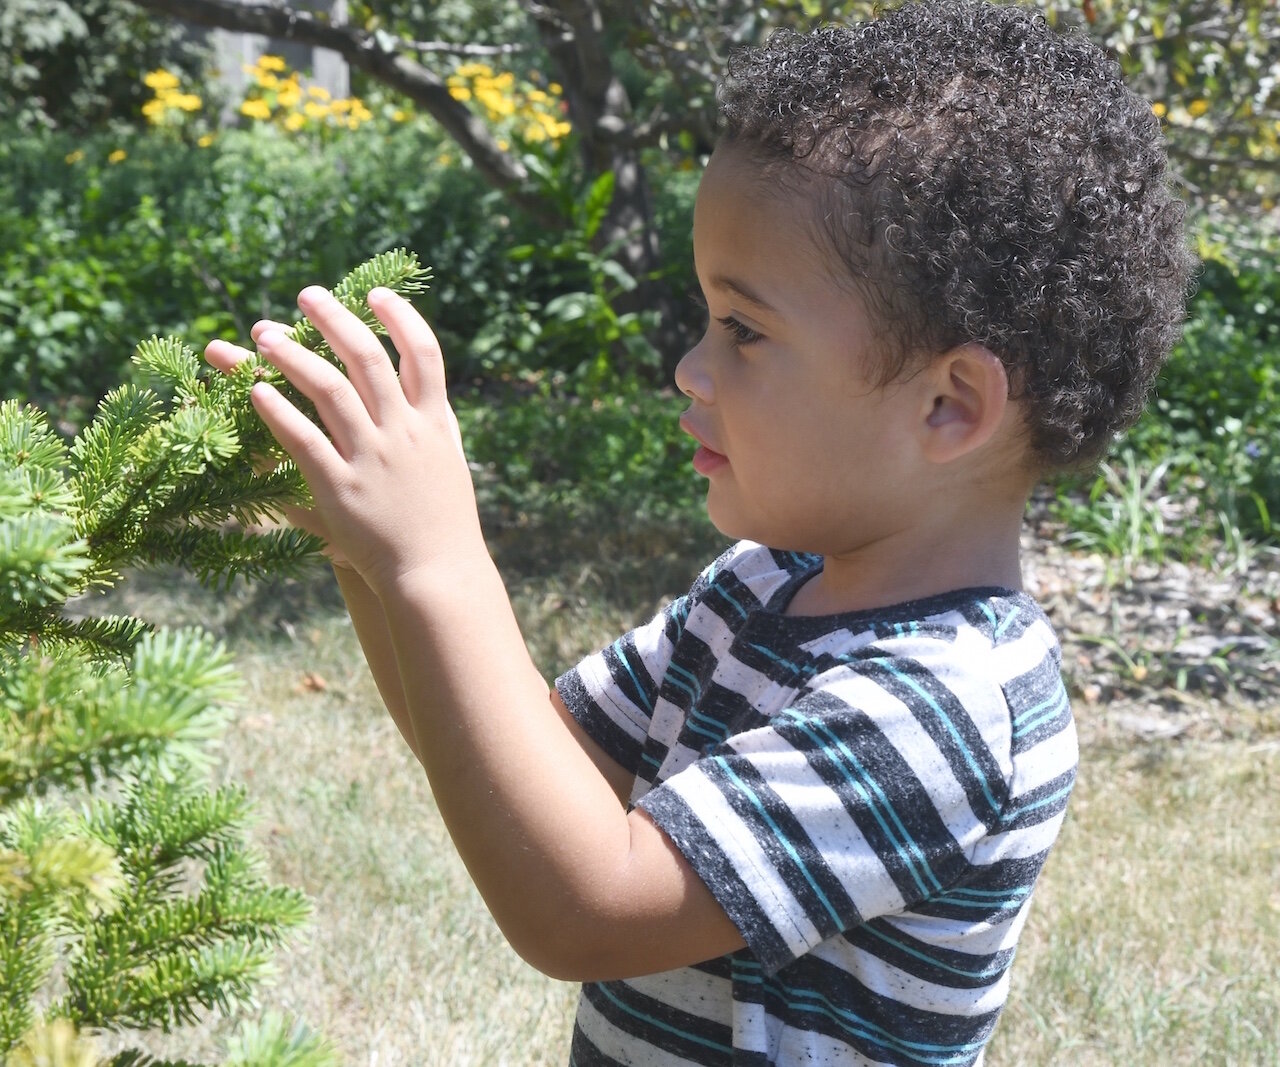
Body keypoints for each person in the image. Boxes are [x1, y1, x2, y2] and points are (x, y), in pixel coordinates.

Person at [205, 2, 1193, 1063]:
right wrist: (370, 560)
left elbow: (586, 906)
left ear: (948, 405)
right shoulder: (759, 588)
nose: (689, 366)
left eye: (744, 328)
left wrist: (434, 562)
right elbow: (530, 773)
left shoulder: (945, 706)